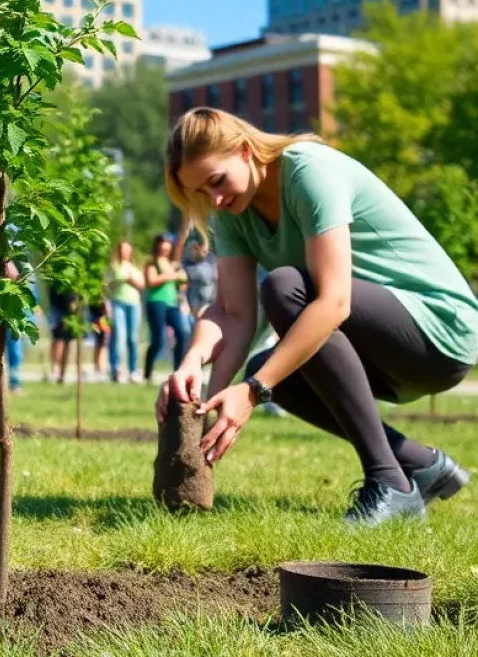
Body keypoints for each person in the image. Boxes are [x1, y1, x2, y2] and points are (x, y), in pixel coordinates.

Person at [159, 107, 478, 526]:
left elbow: (333, 303)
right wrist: (197, 379)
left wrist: (252, 391)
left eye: (217, 181)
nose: (214, 200)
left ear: (244, 150)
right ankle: (422, 465)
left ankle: (391, 482)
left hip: (439, 330)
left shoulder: (308, 170)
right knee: (275, 370)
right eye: (201, 193)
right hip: (381, 345)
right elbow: (231, 313)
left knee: (284, 289)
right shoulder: (234, 213)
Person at [144, 232, 190, 381]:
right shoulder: (152, 264)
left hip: (172, 303)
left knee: (181, 334)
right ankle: (148, 372)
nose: (165, 247)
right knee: (158, 339)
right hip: (156, 302)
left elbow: (182, 283)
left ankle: (178, 371)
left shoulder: (174, 265)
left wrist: (182, 280)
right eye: (163, 243)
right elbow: (151, 281)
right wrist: (169, 276)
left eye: (168, 244)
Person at [106, 240, 144, 383]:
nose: (125, 252)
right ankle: (116, 369)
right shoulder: (113, 266)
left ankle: (133, 370)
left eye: (128, 249)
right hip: (118, 302)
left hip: (134, 303)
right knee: (119, 336)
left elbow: (141, 284)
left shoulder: (134, 267)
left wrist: (130, 278)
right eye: (123, 249)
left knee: (133, 338)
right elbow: (107, 285)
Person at [48, 284, 79, 384]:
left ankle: (62, 372)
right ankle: (55, 368)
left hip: (71, 310)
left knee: (68, 342)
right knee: (58, 339)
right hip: (58, 306)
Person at [182, 238, 218, 318]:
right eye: (193, 249)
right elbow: (183, 286)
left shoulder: (212, 262)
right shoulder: (186, 266)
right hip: (194, 302)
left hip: (211, 300)